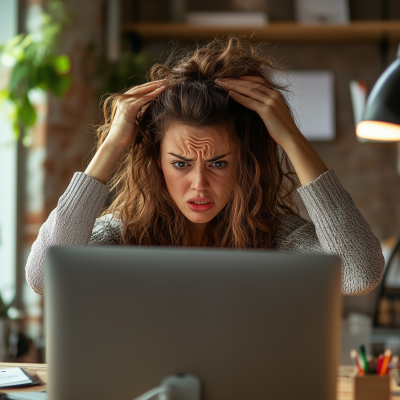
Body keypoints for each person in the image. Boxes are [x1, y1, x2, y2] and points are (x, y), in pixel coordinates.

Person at [26, 37, 384, 296]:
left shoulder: (276, 239)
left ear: (244, 163)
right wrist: (112, 145)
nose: (199, 183)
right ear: (157, 163)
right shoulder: (124, 234)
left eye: (218, 162)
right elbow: (44, 276)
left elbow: (360, 272)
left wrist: (291, 137)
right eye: (180, 163)